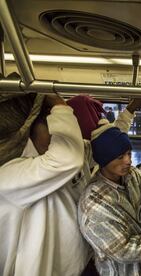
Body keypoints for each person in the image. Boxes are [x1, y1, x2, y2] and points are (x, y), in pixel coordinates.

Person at [0, 94, 89, 276]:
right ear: (29, 131)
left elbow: (82, 149)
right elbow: (68, 158)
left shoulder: (43, 162)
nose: (56, 136)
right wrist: (58, 104)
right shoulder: (10, 176)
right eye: (50, 128)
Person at [78, 119, 141, 275]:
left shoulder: (133, 176)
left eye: (129, 153)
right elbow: (124, 251)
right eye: (120, 157)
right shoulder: (93, 203)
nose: (128, 160)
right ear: (104, 160)